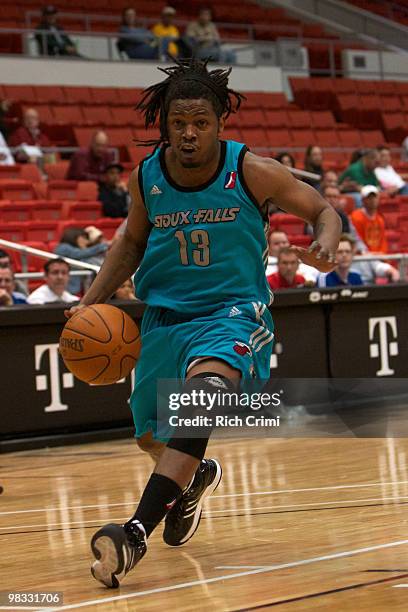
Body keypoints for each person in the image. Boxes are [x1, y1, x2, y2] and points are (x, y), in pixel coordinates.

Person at [65, 58, 341, 588]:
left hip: (232, 313)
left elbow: (323, 212)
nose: (189, 134)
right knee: (152, 438)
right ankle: (194, 481)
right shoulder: (147, 176)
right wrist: (90, 300)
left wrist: (326, 244)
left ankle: (134, 534)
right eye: (178, 124)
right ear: (164, 125)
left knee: (202, 402)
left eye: (200, 123)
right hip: (164, 319)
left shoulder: (252, 169)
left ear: (219, 123)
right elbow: (130, 242)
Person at [55, 228, 109, 294]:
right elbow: (80, 253)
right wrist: (104, 245)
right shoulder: (63, 247)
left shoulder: (80, 255)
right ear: (74, 236)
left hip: (79, 290)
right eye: (84, 238)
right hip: (67, 290)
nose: (86, 242)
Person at [350, 185, 387, 253]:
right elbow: (358, 240)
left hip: (378, 256)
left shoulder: (380, 219)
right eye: (369, 198)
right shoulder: (356, 216)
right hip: (364, 257)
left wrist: (381, 254)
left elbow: (383, 242)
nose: (372, 200)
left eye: (374, 197)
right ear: (363, 200)